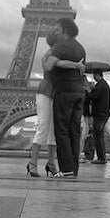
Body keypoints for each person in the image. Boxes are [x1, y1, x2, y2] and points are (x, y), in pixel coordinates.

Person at [45, 17, 87, 179]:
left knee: (61, 131)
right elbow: (81, 69)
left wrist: (54, 61)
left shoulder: (60, 46)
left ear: (65, 30)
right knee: (74, 132)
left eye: (57, 28)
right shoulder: (80, 48)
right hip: (79, 92)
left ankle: (66, 169)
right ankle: (73, 169)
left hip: (64, 91)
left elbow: (48, 66)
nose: (54, 30)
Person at [27, 29, 62, 177]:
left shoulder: (53, 53)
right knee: (43, 127)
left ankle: (50, 163)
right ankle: (33, 163)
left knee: (52, 130)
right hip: (47, 91)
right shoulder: (51, 54)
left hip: (53, 92)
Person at [87, 69, 110, 164]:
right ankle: (102, 156)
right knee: (99, 135)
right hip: (103, 113)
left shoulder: (100, 85)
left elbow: (95, 96)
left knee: (98, 135)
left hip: (100, 113)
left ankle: (101, 157)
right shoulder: (104, 84)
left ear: (96, 75)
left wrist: (88, 92)